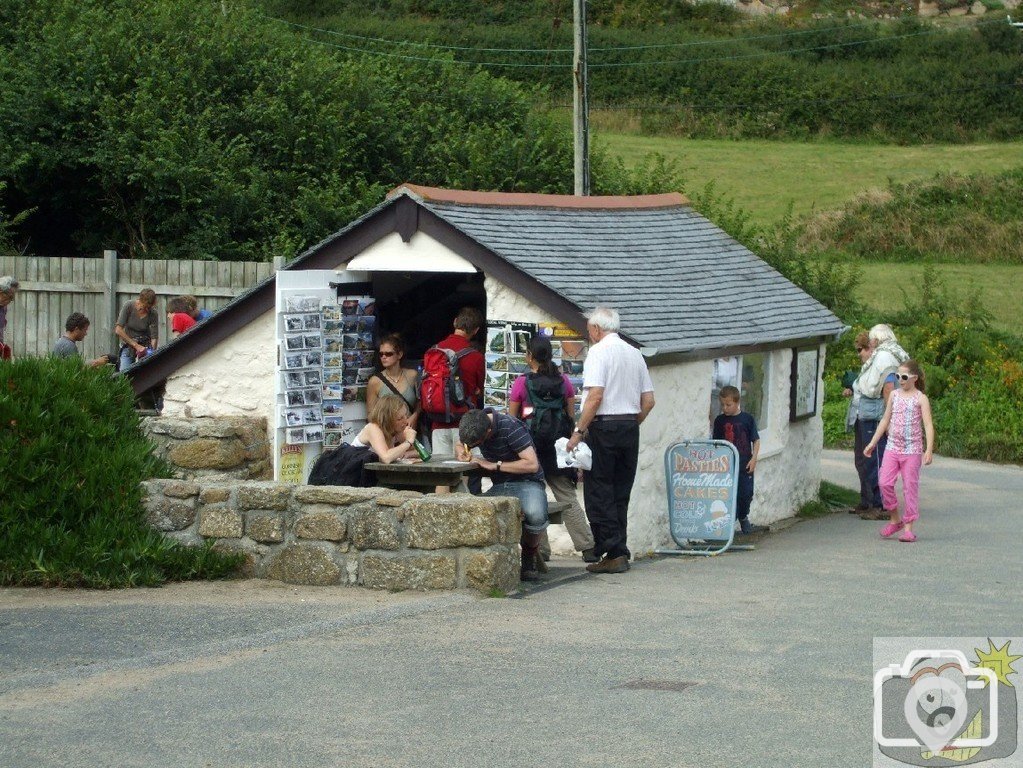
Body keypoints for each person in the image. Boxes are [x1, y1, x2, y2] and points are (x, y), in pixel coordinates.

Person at [566, 307, 655, 575]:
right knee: (620, 491)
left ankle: (612, 552)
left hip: (604, 426)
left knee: (599, 490)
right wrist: (630, 424)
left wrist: (579, 431)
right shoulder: (634, 352)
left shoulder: (598, 352)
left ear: (595, 329)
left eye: (589, 329)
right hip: (629, 425)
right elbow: (649, 401)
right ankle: (619, 549)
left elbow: (595, 396)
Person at [508, 335, 597, 564]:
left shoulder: (521, 383)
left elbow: (511, 419)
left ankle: (540, 551)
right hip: (559, 448)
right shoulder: (564, 381)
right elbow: (570, 415)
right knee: (567, 497)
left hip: (530, 448)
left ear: (529, 356)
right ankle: (587, 547)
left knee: (536, 500)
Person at [457, 408, 549, 582]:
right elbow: (460, 443)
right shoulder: (474, 422)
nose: (475, 446)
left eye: (478, 443)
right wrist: (461, 450)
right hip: (500, 485)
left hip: (527, 483)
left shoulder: (511, 428)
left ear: (489, 432)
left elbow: (532, 464)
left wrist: (495, 466)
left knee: (535, 514)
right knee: (470, 510)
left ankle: (529, 555)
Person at [863, 359, 935, 543]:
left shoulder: (921, 398)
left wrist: (928, 450)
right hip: (892, 447)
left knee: (910, 488)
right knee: (884, 482)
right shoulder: (894, 395)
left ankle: (908, 528)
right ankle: (895, 519)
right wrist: (873, 442)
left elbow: (927, 424)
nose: (900, 380)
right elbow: (885, 420)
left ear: (915, 378)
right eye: (897, 376)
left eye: (904, 377)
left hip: (912, 450)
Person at [849, 324, 909, 520]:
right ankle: (869, 501)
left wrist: (888, 419)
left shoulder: (884, 358)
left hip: (875, 416)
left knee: (874, 459)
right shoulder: (886, 355)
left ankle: (880, 504)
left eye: (873, 338)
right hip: (868, 415)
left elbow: (888, 387)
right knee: (866, 459)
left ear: (878, 339)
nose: (871, 341)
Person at [425, 306, 485, 457]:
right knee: (466, 472)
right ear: (476, 330)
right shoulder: (476, 357)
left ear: (455, 322)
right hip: (465, 425)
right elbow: (480, 390)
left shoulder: (434, 351)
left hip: (437, 422)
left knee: (441, 476)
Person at [713, 385, 768, 536]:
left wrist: (754, 458)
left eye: (728, 405)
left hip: (745, 463)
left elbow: (755, 440)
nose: (725, 408)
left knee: (745, 493)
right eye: (722, 405)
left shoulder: (747, 419)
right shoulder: (719, 421)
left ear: (737, 402)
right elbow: (716, 444)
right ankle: (728, 523)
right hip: (726, 465)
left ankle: (743, 516)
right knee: (728, 495)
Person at [366, 333, 420, 433]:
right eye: (381, 354)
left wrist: (414, 417)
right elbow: (371, 414)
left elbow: (420, 403)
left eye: (388, 354)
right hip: (388, 434)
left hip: (409, 431)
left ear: (399, 354)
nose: (384, 357)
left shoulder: (412, 375)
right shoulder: (375, 381)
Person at [114, 289, 159, 370]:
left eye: (149, 307)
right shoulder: (129, 306)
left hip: (145, 346)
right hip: (128, 345)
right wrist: (136, 345)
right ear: (139, 301)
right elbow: (118, 329)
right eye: (144, 307)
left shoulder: (153, 313)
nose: (147, 309)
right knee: (124, 374)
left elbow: (154, 337)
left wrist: (151, 353)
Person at [0, 275, 20, 359]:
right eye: (9, 297)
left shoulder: (3, 307)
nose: (9, 301)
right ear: (0, 292)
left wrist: (2, 344)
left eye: (11, 299)